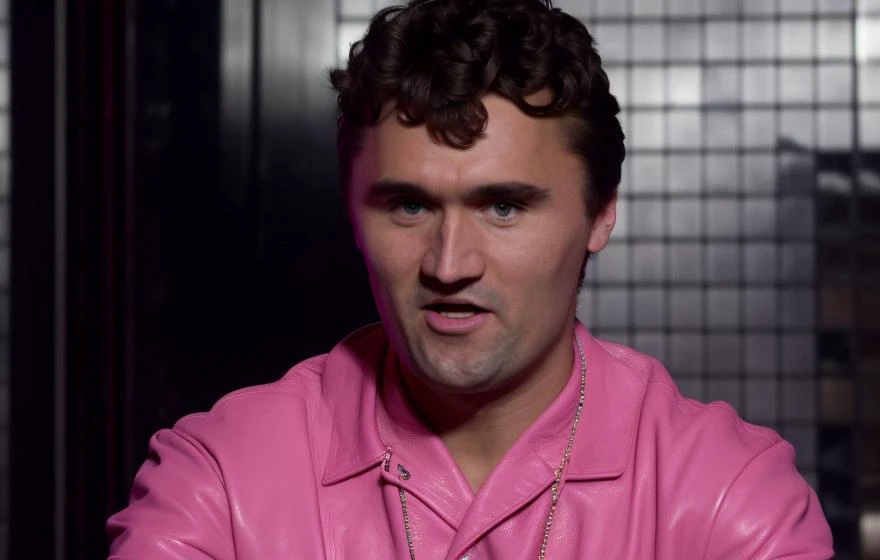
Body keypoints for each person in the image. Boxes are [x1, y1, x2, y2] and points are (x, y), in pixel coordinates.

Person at [107, 0, 834, 558]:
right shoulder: (222, 481)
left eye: (504, 206)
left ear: (601, 214)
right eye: (410, 204)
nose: (449, 265)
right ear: (352, 214)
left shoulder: (727, 500)